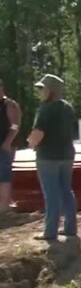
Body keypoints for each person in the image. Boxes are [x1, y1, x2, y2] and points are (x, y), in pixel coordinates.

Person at [26, 74, 77, 241]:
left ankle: (50, 231)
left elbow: (38, 133)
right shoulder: (68, 108)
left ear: (50, 90)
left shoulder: (46, 109)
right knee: (66, 191)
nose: (40, 91)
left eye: (42, 88)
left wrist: (31, 144)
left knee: (51, 194)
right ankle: (70, 228)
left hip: (48, 156)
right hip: (67, 155)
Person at [0, 79, 22, 211]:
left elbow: (15, 125)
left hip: (5, 147)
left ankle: (4, 206)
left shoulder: (9, 105)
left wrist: (7, 142)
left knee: (4, 175)